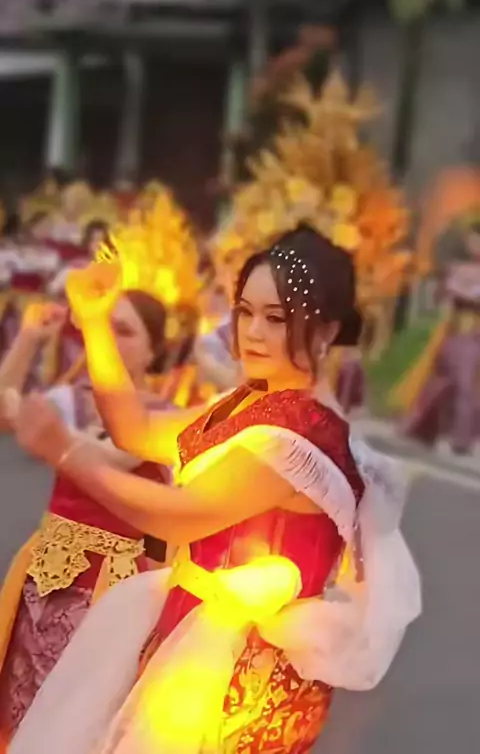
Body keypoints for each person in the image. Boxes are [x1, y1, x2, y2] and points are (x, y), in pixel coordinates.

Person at [9, 225, 421, 754]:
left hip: (239, 674)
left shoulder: (303, 432)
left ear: (325, 330)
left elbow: (178, 515)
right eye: (245, 312)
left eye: (276, 319)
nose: (252, 332)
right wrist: (93, 323)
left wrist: (65, 453)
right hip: (189, 636)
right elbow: (136, 428)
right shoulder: (250, 403)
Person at [0, 288, 171, 745]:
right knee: (20, 704)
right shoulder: (72, 400)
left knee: (78, 719)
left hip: (110, 592)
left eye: (124, 331)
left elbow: (115, 456)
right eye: (103, 327)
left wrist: (52, 435)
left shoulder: (161, 417)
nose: (109, 340)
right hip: (44, 580)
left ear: (154, 350)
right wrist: (29, 339)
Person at [391, 220, 480, 454]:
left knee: (464, 384)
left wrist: (461, 291)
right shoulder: (458, 268)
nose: (474, 245)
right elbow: (443, 293)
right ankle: (424, 429)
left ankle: (461, 438)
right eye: (472, 239)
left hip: (473, 335)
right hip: (452, 330)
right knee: (439, 380)